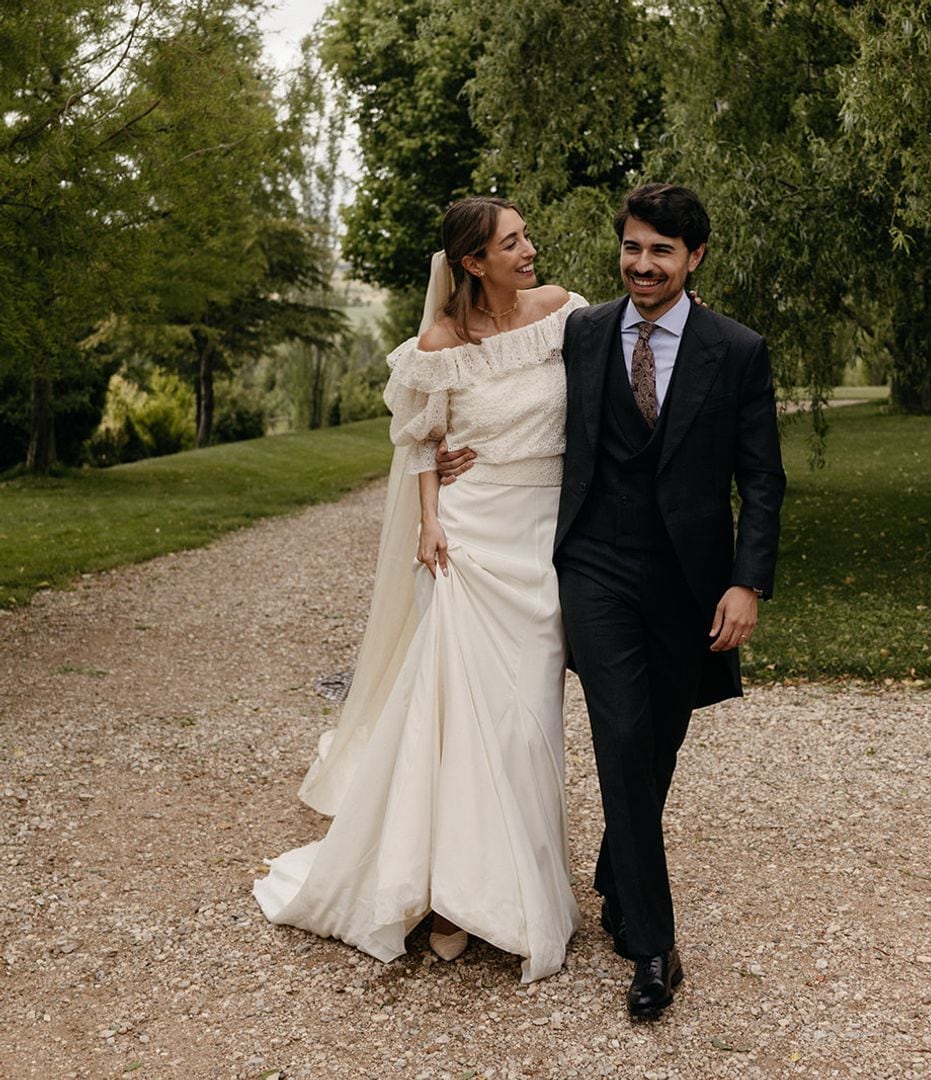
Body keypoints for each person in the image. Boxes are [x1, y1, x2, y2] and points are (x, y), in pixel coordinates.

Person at [439, 183, 785, 1019]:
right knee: (623, 736)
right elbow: (486, 369)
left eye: (662, 251)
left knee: (659, 741)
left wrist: (746, 581)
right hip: (594, 567)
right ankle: (654, 946)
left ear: (695, 257)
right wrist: (455, 449)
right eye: (633, 247)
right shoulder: (583, 331)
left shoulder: (737, 350)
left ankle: (616, 870)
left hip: (690, 582)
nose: (643, 264)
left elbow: (762, 478)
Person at [253, 196, 588, 983]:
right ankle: (445, 895)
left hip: (544, 539)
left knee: (527, 718)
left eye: (526, 237)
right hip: (469, 541)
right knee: (461, 715)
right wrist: (431, 520)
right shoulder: (439, 343)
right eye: (513, 243)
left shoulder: (563, 311)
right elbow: (422, 444)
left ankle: (516, 880)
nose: (530, 250)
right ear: (473, 262)